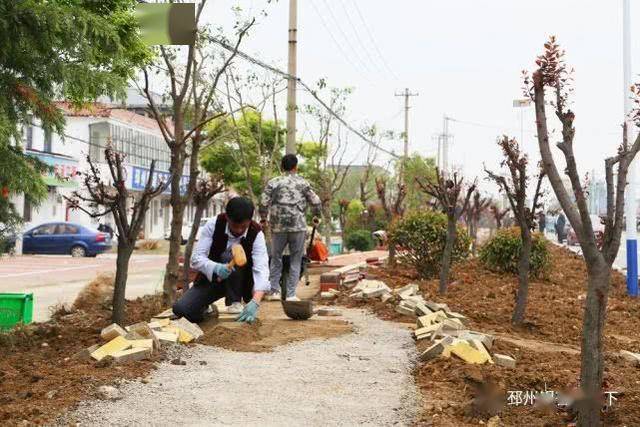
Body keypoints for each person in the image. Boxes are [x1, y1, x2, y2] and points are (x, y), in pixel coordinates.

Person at [172, 197, 269, 323]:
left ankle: (235, 302)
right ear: (227, 218)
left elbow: (261, 268)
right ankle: (208, 311)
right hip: (214, 280)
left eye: (243, 226)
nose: (239, 230)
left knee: (229, 255)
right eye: (235, 226)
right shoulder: (213, 224)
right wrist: (216, 267)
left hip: (242, 282)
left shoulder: (256, 233)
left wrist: (255, 301)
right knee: (182, 309)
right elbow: (196, 259)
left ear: (250, 221)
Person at [260, 154, 321, 301]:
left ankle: (274, 291)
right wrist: (316, 215)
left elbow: (263, 202)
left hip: (278, 227)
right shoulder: (303, 183)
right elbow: (316, 201)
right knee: (295, 259)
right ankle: (291, 294)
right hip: (298, 226)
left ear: (282, 167)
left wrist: (263, 218)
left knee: (276, 258)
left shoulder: (274, 182)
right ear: (296, 167)